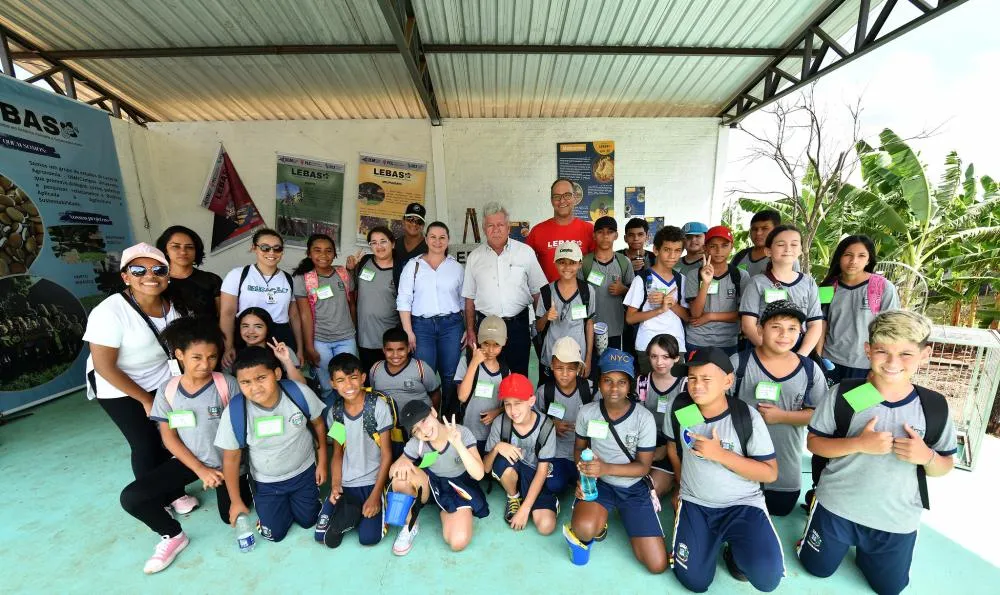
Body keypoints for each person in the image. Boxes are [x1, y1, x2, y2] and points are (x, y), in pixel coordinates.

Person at [799, 310, 957, 595]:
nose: (893, 362)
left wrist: (927, 457)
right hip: (836, 507)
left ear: (925, 355)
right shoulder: (844, 395)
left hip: (895, 519)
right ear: (868, 350)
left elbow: (945, 465)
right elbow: (814, 443)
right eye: (883, 351)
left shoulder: (934, 406)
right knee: (815, 568)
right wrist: (858, 444)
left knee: (889, 589)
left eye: (906, 354)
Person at [119, 318, 250, 574]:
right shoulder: (167, 390)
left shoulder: (227, 384)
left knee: (229, 517)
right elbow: (169, 438)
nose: (205, 364)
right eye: (196, 357)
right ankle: (173, 535)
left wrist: (222, 473)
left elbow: (240, 431)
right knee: (132, 497)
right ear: (179, 355)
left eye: (212, 357)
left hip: (230, 464)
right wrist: (201, 470)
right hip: (191, 462)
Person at [84, 243, 194, 519]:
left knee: (171, 435)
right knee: (145, 442)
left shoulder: (174, 306)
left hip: (160, 378)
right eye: (139, 270)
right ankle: (153, 499)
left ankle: (175, 490)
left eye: (158, 269)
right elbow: (104, 366)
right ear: (125, 276)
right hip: (116, 385)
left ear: (168, 274)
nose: (150, 275)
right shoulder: (109, 312)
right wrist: (145, 399)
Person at [665, 348, 784, 593]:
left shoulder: (745, 417)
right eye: (692, 379)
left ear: (727, 381)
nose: (697, 386)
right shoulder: (681, 409)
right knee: (695, 581)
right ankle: (709, 542)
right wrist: (680, 485)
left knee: (767, 578)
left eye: (706, 379)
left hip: (743, 504)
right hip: (696, 503)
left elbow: (769, 473)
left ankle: (734, 549)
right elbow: (673, 448)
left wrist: (720, 454)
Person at [564, 348, 666, 573]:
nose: (614, 388)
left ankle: (623, 514)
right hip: (600, 486)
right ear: (599, 383)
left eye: (621, 382)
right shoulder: (587, 413)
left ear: (629, 385)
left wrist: (604, 468)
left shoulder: (644, 418)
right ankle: (600, 519)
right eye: (607, 381)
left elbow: (643, 467)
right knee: (583, 529)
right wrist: (584, 474)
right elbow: (579, 448)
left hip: (632, 487)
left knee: (657, 565)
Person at [214, 347, 329, 542]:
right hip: (266, 482)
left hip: (303, 472)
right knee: (275, 534)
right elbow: (231, 459)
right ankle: (270, 514)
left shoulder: (297, 393)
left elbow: (319, 425)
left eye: (261, 378)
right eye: (245, 382)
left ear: (276, 373)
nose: (255, 387)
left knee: (309, 520)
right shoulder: (235, 412)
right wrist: (235, 501)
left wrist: (323, 463)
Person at [730, 300, 824, 516]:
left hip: (784, 474)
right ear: (760, 329)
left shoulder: (810, 370)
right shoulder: (738, 364)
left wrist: (782, 416)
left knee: (781, 510)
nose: (784, 335)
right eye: (776, 327)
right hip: (739, 469)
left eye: (792, 329)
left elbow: (818, 415)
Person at [389, 401, 488, 555]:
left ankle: (449, 512)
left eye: (424, 420)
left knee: (458, 541)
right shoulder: (417, 443)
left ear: (434, 413)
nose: (424, 430)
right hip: (432, 484)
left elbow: (479, 474)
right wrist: (401, 461)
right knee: (400, 476)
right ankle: (410, 524)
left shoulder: (461, 432)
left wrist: (458, 444)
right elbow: (392, 473)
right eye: (416, 430)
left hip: (458, 487)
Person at [314, 353, 392, 548]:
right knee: (320, 536)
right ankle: (349, 513)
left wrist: (375, 496)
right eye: (340, 380)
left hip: (373, 481)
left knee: (368, 538)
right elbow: (338, 453)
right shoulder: (336, 412)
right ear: (332, 383)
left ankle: (351, 514)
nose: (348, 385)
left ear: (363, 378)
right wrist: (335, 486)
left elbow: (387, 454)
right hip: (347, 482)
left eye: (353, 378)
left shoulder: (377, 406)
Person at [462, 202, 547, 377]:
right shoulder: (474, 258)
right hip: (486, 329)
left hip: (518, 326)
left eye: (500, 225)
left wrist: (543, 328)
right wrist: (470, 330)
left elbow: (538, 292)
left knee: (518, 376)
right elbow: (469, 299)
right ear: (484, 229)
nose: (496, 230)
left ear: (508, 228)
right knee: (489, 377)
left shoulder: (525, 252)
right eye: (490, 225)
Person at [398, 221, 465, 408]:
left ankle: (450, 418)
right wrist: (408, 331)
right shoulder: (413, 266)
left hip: (451, 325)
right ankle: (426, 420)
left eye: (442, 237)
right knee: (424, 374)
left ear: (448, 240)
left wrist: (468, 327)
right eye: (433, 237)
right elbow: (403, 300)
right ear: (426, 239)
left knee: (450, 375)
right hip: (422, 326)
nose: (437, 241)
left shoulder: (456, 268)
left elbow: (464, 301)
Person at [818, 235, 900, 384]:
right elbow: (820, 324)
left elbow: (891, 330)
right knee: (826, 405)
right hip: (829, 363)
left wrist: (881, 367)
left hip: (866, 366)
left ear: (869, 260)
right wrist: (817, 360)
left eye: (861, 255)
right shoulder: (828, 287)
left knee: (859, 406)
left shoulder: (883, 287)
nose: (853, 261)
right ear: (839, 257)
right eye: (848, 255)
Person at [484, 373, 559, 534]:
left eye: (518, 403)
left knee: (546, 527)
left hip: (535, 474)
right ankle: (514, 496)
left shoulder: (546, 426)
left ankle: (540, 501)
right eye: (507, 404)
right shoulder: (501, 423)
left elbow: (541, 471)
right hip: (513, 472)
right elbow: (485, 468)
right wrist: (497, 447)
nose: (513, 410)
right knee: (501, 462)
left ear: (531, 401)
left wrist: (525, 510)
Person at [220, 229, 302, 367]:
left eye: (277, 248)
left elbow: (294, 316)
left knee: (283, 378)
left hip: (281, 335)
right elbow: (227, 313)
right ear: (254, 248)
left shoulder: (288, 279)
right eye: (265, 248)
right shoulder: (237, 275)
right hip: (248, 335)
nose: (271, 252)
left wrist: (300, 348)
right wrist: (228, 346)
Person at [739, 224, 822, 355]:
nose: (788, 249)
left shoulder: (809, 283)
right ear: (768, 251)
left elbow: (815, 324)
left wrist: (801, 356)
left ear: (801, 250)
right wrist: (774, 353)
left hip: (799, 351)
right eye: (781, 244)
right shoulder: (756, 282)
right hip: (763, 350)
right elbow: (748, 325)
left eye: (794, 244)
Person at [292, 234, 357, 394]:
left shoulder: (343, 274)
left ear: (335, 254)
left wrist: (353, 330)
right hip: (320, 340)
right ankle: (330, 414)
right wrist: (309, 346)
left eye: (328, 251)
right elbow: (304, 315)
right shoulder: (304, 278)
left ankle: (346, 415)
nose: (323, 255)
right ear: (309, 253)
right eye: (317, 250)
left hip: (346, 338)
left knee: (348, 381)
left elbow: (352, 304)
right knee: (327, 385)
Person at [624, 226, 690, 374]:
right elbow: (630, 318)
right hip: (648, 346)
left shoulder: (681, 280)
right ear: (656, 250)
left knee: (676, 390)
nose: (672, 255)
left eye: (677, 250)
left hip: (676, 346)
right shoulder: (641, 279)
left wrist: (671, 303)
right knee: (649, 391)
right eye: (667, 249)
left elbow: (688, 317)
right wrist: (659, 309)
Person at [534, 337, 592, 497]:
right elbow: (532, 422)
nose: (565, 374)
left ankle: (574, 478)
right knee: (554, 485)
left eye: (571, 369)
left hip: (584, 454)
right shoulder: (544, 392)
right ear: (552, 366)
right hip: (556, 453)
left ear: (579, 368)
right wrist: (550, 425)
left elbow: (604, 419)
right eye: (559, 368)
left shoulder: (590, 390)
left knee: (593, 484)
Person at [684, 225, 749, 356]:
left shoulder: (741, 275)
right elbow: (696, 314)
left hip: (728, 341)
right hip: (697, 339)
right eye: (713, 246)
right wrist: (706, 283)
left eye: (725, 245)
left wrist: (709, 316)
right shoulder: (693, 275)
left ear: (732, 246)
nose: (719, 250)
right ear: (705, 248)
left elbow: (743, 314)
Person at [535, 242, 595, 383]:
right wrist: (546, 316)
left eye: (572, 263)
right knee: (549, 396)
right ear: (555, 263)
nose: (567, 267)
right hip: (552, 358)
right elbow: (538, 327)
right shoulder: (546, 292)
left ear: (579, 264)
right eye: (562, 262)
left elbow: (589, 324)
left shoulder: (587, 291)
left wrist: (588, 358)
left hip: (577, 358)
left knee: (577, 397)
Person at [581, 216, 634, 372]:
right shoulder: (585, 263)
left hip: (617, 328)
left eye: (610, 232)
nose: (605, 236)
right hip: (589, 329)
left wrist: (623, 290)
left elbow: (635, 297)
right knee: (592, 370)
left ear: (616, 236)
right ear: (593, 235)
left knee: (613, 370)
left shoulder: (624, 262)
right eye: (600, 232)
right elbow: (577, 295)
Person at [634, 333, 684, 497]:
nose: (659, 362)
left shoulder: (686, 384)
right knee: (631, 486)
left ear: (676, 358)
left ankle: (673, 480)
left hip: (675, 446)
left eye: (665, 357)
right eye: (654, 356)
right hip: (646, 443)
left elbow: (692, 425)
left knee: (650, 492)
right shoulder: (642, 382)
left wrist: (668, 448)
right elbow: (637, 418)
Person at [347, 226, 401, 372]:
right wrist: (350, 269)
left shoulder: (401, 269)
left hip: (389, 337)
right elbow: (351, 289)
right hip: (364, 334)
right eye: (374, 242)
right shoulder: (365, 261)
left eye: (383, 241)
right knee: (369, 378)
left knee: (387, 377)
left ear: (393, 243)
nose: (379, 246)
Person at [455, 315, 510, 453]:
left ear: (504, 343)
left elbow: (511, 404)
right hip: (467, 433)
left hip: (493, 436)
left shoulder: (505, 371)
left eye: (496, 345)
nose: (490, 350)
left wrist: (498, 411)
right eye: (486, 343)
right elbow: (462, 396)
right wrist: (474, 363)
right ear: (479, 340)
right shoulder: (466, 362)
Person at [525, 178, 597, 283]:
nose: (562, 201)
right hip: (547, 296)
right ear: (551, 200)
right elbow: (524, 267)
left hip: (580, 297)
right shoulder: (537, 231)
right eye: (557, 196)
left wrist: (592, 291)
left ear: (575, 197)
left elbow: (598, 266)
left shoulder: (589, 230)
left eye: (567, 195)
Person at [370, 327, 441, 415]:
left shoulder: (421, 368)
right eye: (390, 350)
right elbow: (373, 394)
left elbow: (435, 393)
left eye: (401, 349)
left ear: (408, 349)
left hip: (419, 423)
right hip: (388, 425)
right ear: (383, 350)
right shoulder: (376, 368)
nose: (395, 355)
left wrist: (434, 417)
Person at [156, 225, 221, 321]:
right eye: (176, 246)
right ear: (165, 250)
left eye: (189, 247)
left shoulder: (211, 280)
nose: (183, 252)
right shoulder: (157, 281)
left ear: (196, 251)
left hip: (210, 334)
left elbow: (224, 318)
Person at [233, 307, 306, 384]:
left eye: (258, 326)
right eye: (245, 326)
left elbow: (301, 385)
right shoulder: (234, 354)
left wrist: (287, 361)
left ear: (268, 329)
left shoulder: (282, 350)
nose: (251, 331)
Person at [619, 217, 657, 360]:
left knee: (647, 354)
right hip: (622, 317)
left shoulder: (655, 258)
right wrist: (629, 268)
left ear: (647, 237)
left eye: (640, 234)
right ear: (625, 238)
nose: (636, 239)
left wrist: (624, 290)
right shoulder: (618, 257)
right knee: (625, 355)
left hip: (648, 316)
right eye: (631, 235)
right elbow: (612, 286)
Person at [731, 210, 800, 277]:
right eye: (754, 229)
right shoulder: (739, 257)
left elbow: (793, 286)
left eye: (765, 228)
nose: (758, 233)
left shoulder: (787, 257)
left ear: (776, 230)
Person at [394, 202, 429, 276]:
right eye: (410, 219)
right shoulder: (395, 244)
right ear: (403, 221)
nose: (414, 224)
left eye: (419, 222)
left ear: (423, 225)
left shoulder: (430, 246)